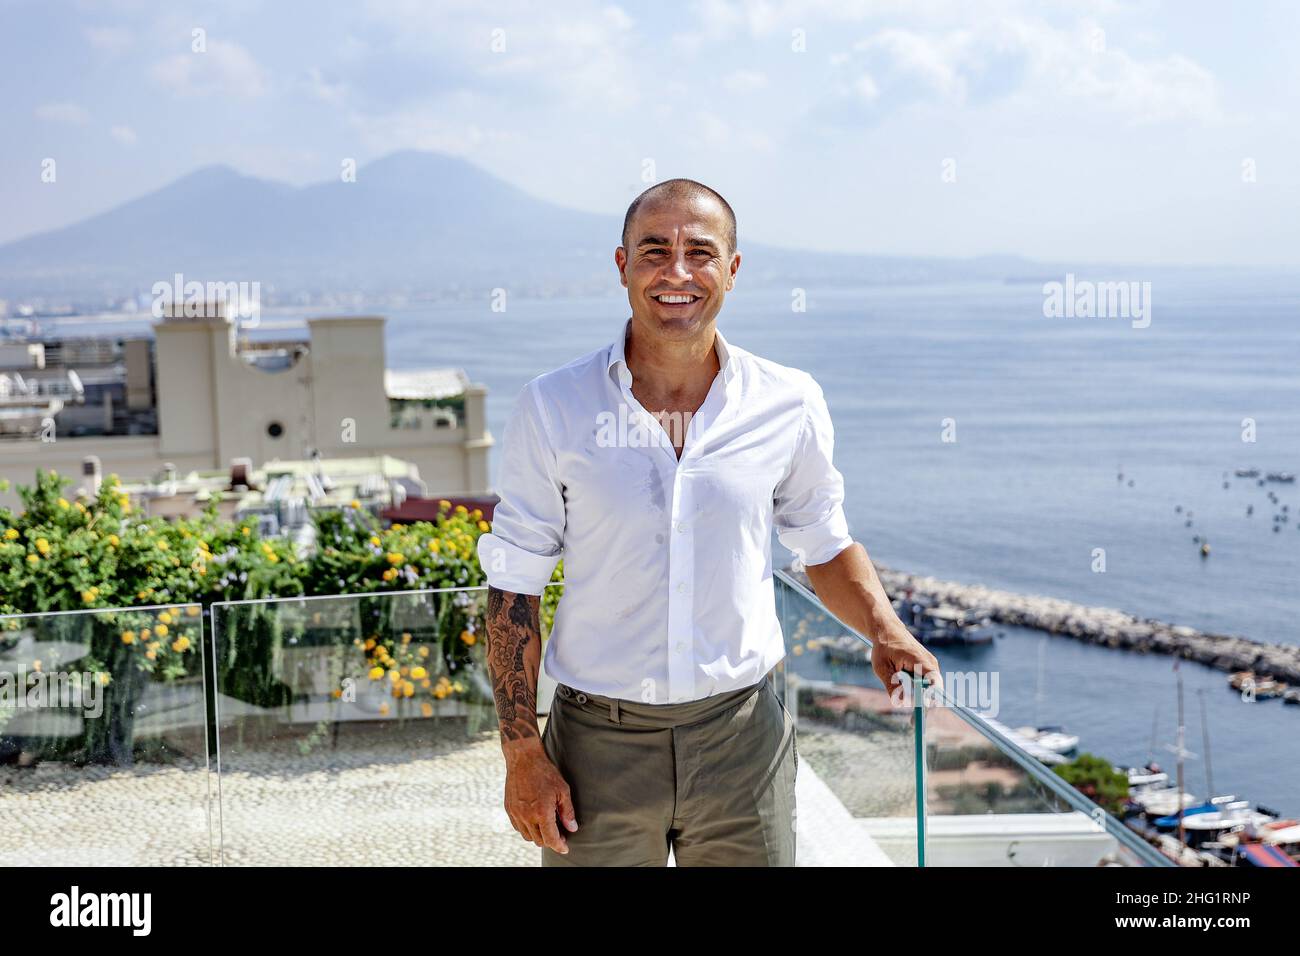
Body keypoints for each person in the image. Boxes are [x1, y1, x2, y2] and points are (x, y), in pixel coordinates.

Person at [477, 178, 941, 866]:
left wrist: (885, 629)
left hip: (743, 739)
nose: (677, 273)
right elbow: (514, 586)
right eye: (655, 251)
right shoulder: (552, 406)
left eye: (700, 252)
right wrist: (522, 752)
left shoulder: (789, 401)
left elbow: (823, 541)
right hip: (597, 744)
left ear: (732, 268)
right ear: (622, 264)